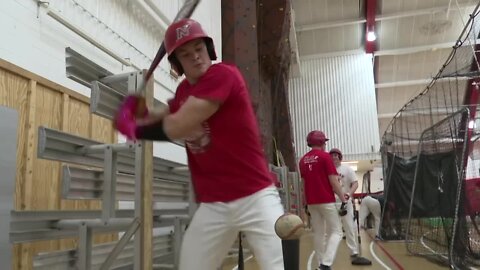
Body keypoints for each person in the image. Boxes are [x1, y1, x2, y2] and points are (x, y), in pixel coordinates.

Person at [114, 19, 285, 270]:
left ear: (209, 49)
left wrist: (136, 129)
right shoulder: (185, 91)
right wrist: (137, 112)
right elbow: (166, 113)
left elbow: (178, 124)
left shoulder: (223, 75)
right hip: (215, 204)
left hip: (256, 195)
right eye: (185, 54)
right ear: (177, 64)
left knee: (278, 266)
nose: (195, 57)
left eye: (198, 49)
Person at [299, 131, 347, 270]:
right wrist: (343, 197)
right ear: (321, 142)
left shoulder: (302, 160)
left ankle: (321, 263)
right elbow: (333, 181)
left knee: (319, 233)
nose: (325, 144)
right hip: (326, 200)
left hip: (311, 202)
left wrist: (305, 203)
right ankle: (326, 264)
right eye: (324, 142)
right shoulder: (325, 157)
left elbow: (303, 184)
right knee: (337, 231)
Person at [329, 148, 371, 265]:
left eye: (336, 156)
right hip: (331, 203)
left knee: (349, 227)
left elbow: (355, 183)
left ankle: (354, 253)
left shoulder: (347, 169)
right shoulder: (326, 170)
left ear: (340, 157)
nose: (334, 158)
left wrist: (349, 194)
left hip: (345, 203)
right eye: (332, 156)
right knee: (332, 230)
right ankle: (328, 257)